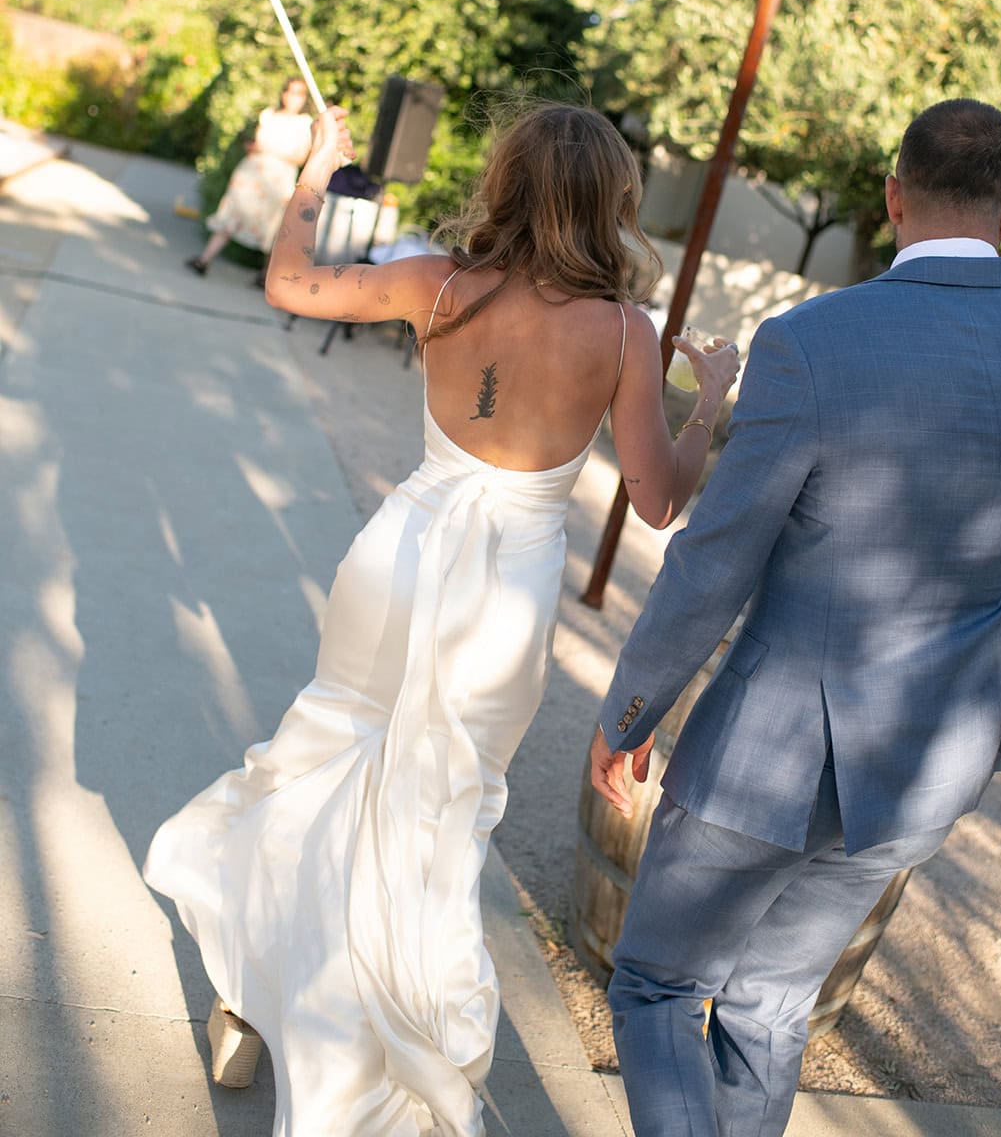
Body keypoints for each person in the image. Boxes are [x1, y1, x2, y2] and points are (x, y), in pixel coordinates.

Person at [144, 100, 741, 1137]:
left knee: (318, 760)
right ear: (611, 203)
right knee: (433, 813)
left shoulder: (440, 284)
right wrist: (709, 403)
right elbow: (655, 498)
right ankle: (366, 1042)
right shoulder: (620, 332)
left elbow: (288, 279)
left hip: (400, 552)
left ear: (505, 183)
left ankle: (247, 1000)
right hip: (502, 593)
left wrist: (316, 176)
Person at [590, 98, 1001, 1137]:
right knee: (767, 1004)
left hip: (764, 760)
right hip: (928, 766)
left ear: (891, 197)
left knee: (658, 988)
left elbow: (714, 558)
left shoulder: (810, 342)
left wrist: (629, 709)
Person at [185, 75, 312, 277]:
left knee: (274, 228)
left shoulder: (304, 124)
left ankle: (266, 277)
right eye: (290, 91)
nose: (294, 97)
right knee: (231, 215)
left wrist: (268, 148)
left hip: (278, 182)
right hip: (252, 175)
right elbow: (256, 144)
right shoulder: (269, 115)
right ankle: (205, 259)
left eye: (299, 93)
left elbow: (299, 156)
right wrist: (258, 148)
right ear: (284, 92)